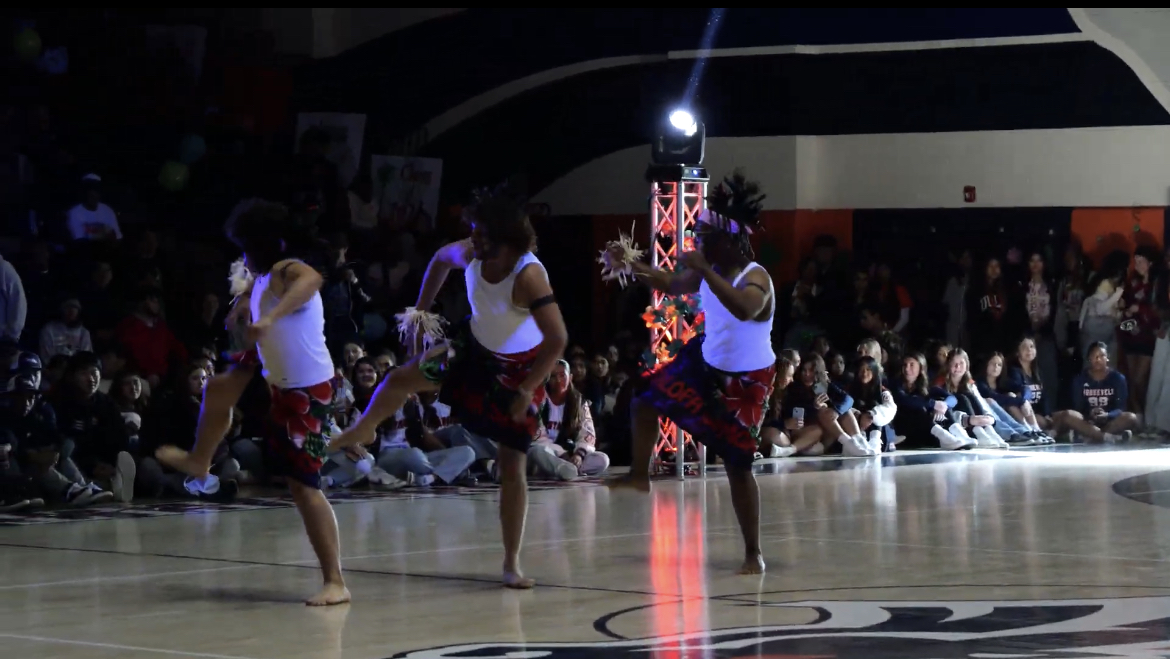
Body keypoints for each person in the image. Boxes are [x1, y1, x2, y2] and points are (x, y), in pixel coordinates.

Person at [330, 181, 568, 589]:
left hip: (521, 369)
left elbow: (558, 339)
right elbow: (440, 259)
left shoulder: (528, 275)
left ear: (507, 239)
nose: (472, 238)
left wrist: (528, 388)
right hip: (473, 347)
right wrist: (420, 313)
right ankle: (365, 427)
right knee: (400, 377)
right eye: (472, 230)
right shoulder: (471, 251)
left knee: (513, 466)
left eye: (481, 233)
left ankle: (511, 564)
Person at [154, 202, 349, 606]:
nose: (242, 254)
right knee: (218, 388)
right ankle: (200, 461)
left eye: (245, 245)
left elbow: (311, 279)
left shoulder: (288, 269)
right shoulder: (263, 278)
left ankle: (336, 582)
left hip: (309, 390)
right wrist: (244, 308)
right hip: (277, 377)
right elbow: (254, 301)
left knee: (304, 487)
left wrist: (270, 316)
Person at [606, 171, 776, 575]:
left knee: (738, 466)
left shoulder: (756, 277)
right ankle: (638, 475)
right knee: (644, 396)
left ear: (729, 240)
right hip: (705, 363)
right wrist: (631, 263)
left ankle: (753, 552)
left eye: (704, 236)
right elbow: (670, 282)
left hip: (747, 383)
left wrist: (703, 266)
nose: (696, 242)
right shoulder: (709, 269)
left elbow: (744, 308)